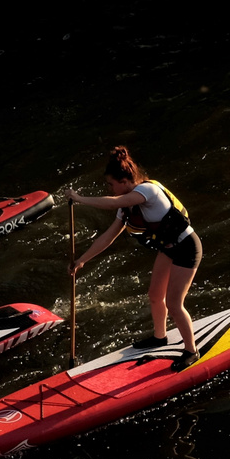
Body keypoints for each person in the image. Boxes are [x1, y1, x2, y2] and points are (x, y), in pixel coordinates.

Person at [66, 146, 203, 370]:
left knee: (174, 303)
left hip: (187, 246)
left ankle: (191, 350)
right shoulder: (127, 208)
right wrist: (82, 260)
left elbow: (111, 202)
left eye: (111, 184)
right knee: (154, 296)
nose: (110, 188)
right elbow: (108, 237)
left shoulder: (148, 191)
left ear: (124, 181)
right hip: (168, 248)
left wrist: (78, 198)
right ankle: (160, 338)